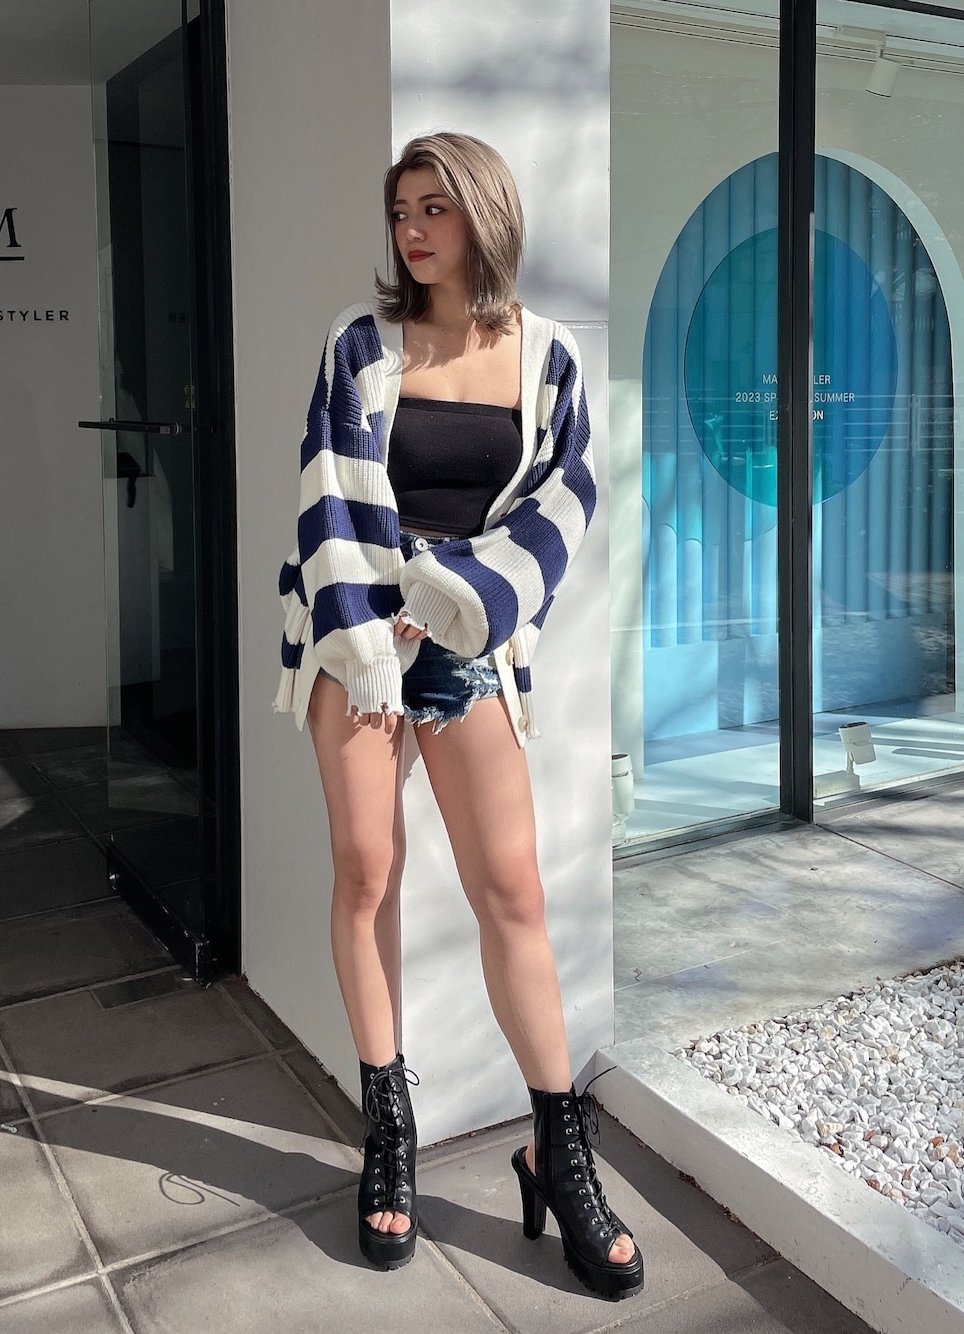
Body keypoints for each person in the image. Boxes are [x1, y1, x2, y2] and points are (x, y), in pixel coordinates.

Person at [275, 131, 643, 1301]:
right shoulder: (358, 340)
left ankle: (558, 1150)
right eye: (401, 209)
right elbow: (328, 492)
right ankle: (389, 1128)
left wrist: (457, 600)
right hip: (357, 634)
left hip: (466, 637)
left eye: (435, 206)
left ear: (485, 212)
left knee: (512, 893)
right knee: (365, 872)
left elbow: (563, 503)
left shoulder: (546, 355)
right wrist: (368, 632)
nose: (413, 229)